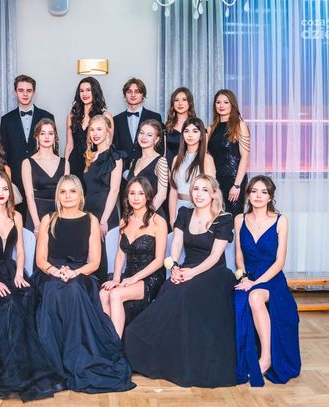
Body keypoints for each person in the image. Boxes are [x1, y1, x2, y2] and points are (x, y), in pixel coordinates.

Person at [125, 175, 236, 388]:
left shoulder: (223, 219)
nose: (199, 194)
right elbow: (175, 244)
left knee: (185, 293)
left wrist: (191, 273)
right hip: (185, 269)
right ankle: (154, 352)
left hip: (214, 273)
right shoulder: (184, 213)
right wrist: (174, 266)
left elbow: (215, 257)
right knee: (170, 290)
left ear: (214, 194)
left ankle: (188, 361)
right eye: (196, 189)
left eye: (205, 189)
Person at [34, 174, 135, 393]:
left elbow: (95, 262)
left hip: (81, 273)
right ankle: (54, 365)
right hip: (51, 273)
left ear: (80, 195)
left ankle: (77, 359)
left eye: (72, 191)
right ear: (57, 196)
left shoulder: (91, 220)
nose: (67, 196)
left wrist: (74, 273)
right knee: (52, 291)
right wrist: (55, 271)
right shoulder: (48, 219)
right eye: (63, 192)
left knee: (73, 291)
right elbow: (40, 259)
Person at [0, 171, 63, 401]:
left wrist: (20, 273)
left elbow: (20, 251)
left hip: (10, 269)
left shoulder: (16, 216)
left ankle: (22, 364)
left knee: (27, 293)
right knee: (8, 303)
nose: (1, 193)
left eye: (5, 189)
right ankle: (7, 367)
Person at [234, 176, 300, 386]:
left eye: (264, 192)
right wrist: (245, 277)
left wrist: (255, 283)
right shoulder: (240, 219)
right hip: (249, 276)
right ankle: (238, 357)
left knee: (254, 297)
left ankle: (266, 357)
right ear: (248, 195)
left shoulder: (281, 221)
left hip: (272, 279)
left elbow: (279, 262)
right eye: (254, 191)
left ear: (270, 196)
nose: (258, 196)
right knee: (236, 300)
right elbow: (239, 256)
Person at [100, 177, 167, 337]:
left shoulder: (158, 222)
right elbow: (120, 254)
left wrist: (134, 279)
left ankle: (115, 345)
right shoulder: (124, 220)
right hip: (129, 273)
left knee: (115, 294)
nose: (136, 198)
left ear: (148, 196)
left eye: (141, 193)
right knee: (104, 293)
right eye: (132, 193)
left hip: (150, 277)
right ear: (127, 196)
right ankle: (108, 340)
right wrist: (116, 278)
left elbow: (159, 261)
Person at [1, 74, 55, 219]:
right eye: (21, 90)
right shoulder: (6, 120)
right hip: (15, 180)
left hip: (42, 181)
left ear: (34, 92)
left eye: (29, 90)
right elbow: (4, 153)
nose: (25, 94)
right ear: (15, 92)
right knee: (17, 220)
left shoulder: (47, 116)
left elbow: (53, 149)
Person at [83, 114, 126, 284]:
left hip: (105, 213)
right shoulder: (89, 156)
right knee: (89, 255)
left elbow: (114, 190)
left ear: (108, 131)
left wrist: (104, 220)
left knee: (106, 256)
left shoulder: (116, 157)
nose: (95, 133)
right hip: (88, 211)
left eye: (99, 129)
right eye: (92, 130)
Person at [21, 118, 68, 234]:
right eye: (42, 133)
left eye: (50, 133)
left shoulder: (65, 163)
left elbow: (66, 194)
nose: (47, 137)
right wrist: (37, 224)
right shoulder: (27, 163)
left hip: (59, 214)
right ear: (37, 137)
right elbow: (29, 196)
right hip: (36, 214)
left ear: (55, 137)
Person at [208, 89, 250, 217]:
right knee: (216, 217)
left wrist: (237, 185)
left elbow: (245, 157)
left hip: (234, 180)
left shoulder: (239, 125)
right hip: (215, 181)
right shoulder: (211, 128)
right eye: (218, 102)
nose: (221, 105)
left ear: (232, 104)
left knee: (234, 218)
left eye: (226, 102)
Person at [65, 77, 113, 184]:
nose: (84, 94)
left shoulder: (105, 116)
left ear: (95, 91)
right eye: (81, 91)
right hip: (74, 163)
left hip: (95, 163)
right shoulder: (71, 116)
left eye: (88, 90)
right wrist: (66, 169)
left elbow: (108, 146)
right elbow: (69, 145)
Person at [169, 117, 216, 225]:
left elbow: (211, 190)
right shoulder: (176, 159)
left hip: (199, 209)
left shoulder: (206, 159)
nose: (190, 135)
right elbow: (173, 190)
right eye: (186, 131)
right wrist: (172, 219)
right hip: (179, 208)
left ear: (201, 135)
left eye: (195, 131)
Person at [113, 78, 163, 169]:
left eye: (137, 91)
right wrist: (124, 171)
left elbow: (159, 146)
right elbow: (116, 149)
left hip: (149, 169)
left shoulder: (155, 117)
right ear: (125, 95)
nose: (133, 95)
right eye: (129, 91)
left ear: (143, 94)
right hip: (122, 171)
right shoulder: (116, 120)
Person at [126, 119, 169, 220]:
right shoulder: (134, 161)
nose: (144, 137)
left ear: (157, 139)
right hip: (134, 215)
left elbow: (162, 195)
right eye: (141, 133)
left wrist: (145, 216)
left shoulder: (161, 161)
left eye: (149, 135)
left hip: (152, 216)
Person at [163, 87, 196, 168]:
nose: (180, 103)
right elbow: (164, 153)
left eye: (184, 100)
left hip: (192, 168)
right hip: (170, 168)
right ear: (173, 104)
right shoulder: (167, 126)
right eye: (176, 100)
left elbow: (203, 153)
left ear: (190, 102)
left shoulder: (197, 125)